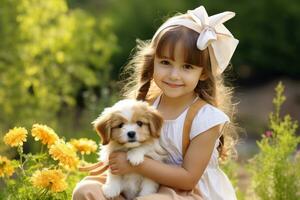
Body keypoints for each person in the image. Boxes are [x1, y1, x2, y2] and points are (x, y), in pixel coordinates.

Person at [73, 5, 239, 200]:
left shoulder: (205, 119)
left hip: (186, 191)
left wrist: (137, 164)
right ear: (153, 63)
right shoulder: (145, 106)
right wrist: (115, 162)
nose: (174, 75)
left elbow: (188, 179)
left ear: (203, 73)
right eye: (165, 62)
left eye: (187, 66)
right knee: (86, 191)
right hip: (136, 178)